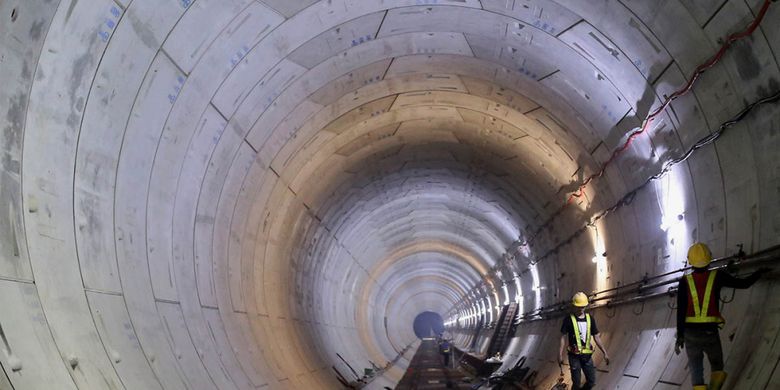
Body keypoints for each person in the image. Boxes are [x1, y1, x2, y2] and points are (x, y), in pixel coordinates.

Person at [675, 242, 767, 390]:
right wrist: (758, 273)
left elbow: (680, 311)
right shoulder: (717, 276)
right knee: (717, 365)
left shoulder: (684, 282)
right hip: (710, 332)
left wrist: (680, 335)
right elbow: (743, 284)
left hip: (690, 333)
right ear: (709, 259)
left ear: (690, 261)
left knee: (696, 367)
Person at [558, 292, 609, 390]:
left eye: (583, 306)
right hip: (574, 356)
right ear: (574, 306)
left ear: (586, 306)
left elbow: (596, 337)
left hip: (587, 356)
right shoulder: (568, 320)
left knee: (591, 381)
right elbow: (562, 337)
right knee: (576, 383)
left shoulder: (590, 319)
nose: (580, 309)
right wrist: (559, 354)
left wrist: (605, 353)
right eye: (578, 307)